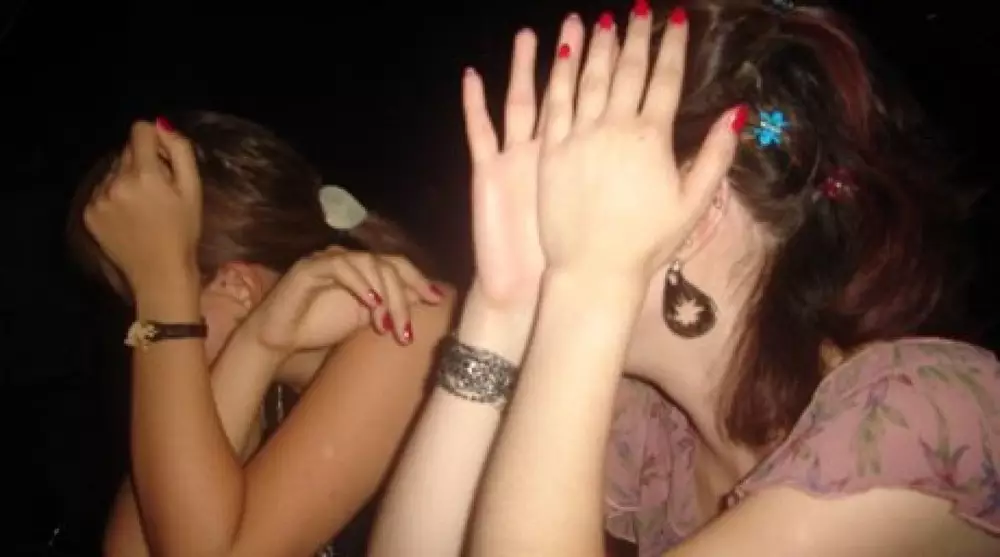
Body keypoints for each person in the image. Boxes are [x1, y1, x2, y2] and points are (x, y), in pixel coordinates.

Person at [370, 2, 1000, 556]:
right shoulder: (651, 432)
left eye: (569, 181)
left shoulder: (926, 414)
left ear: (699, 214)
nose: (545, 210)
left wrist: (591, 284)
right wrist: (498, 310)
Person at [66, 110, 455, 557]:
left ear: (236, 284)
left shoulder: (409, 329)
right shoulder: (269, 387)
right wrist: (256, 345)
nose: (137, 338)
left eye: (141, 305)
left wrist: (165, 292)